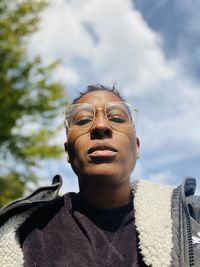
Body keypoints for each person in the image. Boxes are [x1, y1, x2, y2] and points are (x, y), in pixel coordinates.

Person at [0, 84, 199, 267]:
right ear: (68, 151)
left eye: (117, 118)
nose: (100, 126)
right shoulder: (22, 232)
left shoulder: (191, 216)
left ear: (136, 147)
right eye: (84, 120)